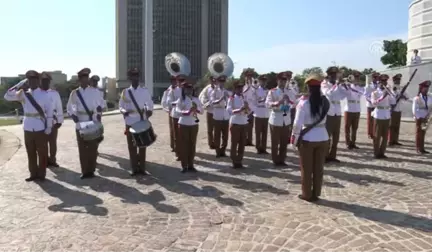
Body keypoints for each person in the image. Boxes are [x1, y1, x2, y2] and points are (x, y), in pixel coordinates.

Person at [4, 70, 53, 181]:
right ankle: (33, 173)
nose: (32, 82)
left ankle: (41, 174)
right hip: (28, 127)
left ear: (38, 80)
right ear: (28, 81)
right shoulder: (22, 93)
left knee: (42, 153)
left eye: (34, 79)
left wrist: (49, 127)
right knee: (30, 152)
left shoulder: (45, 94)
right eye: (29, 79)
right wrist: (20, 84)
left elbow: (49, 112)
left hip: (40, 126)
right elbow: (7, 96)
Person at [290, 74, 329, 202]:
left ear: (308, 87)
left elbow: (297, 124)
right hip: (323, 136)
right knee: (318, 168)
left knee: (307, 168)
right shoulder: (325, 101)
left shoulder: (304, 102)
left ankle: (307, 194)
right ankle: (316, 192)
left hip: (308, 138)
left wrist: (294, 140)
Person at [66, 68, 102, 179]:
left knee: (92, 148)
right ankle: (85, 171)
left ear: (88, 79)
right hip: (81, 121)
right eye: (82, 78)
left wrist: (98, 115)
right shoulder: (75, 93)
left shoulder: (95, 92)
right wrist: (73, 115)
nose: (84, 80)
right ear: (79, 80)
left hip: (92, 120)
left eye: (86, 77)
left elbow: (99, 106)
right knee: (82, 148)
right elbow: (71, 107)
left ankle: (91, 170)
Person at [119, 68, 154, 175]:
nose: (135, 78)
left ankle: (142, 168)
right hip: (130, 121)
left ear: (139, 77)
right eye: (132, 76)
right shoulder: (125, 92)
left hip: (141, 120)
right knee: (132, 146)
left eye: (136, 75)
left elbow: (150, 103)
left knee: (142, 145)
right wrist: (124, 111)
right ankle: (134, 168)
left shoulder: (144, 91)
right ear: (129, 78)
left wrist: (149, 110)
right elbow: (121, 105)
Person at [321, 67, 349, 163]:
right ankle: (325, 156)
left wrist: (344, 85)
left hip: (337, 111)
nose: (334, 76)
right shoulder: (325, 84)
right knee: (327, 136)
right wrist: (336, 85)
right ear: (328, 75)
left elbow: (345, 95)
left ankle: (333, 155)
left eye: (335, 75)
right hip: (329, 112)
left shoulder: (338, 85)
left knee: (336, 136)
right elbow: (328, 94)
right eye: (332, 75)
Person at [265, 72, 292, 166]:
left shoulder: (289, 90)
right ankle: (275, 160)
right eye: (281, 80)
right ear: (277, 81)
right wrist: (278, 102)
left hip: (286, 117)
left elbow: (294, 103)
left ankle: (282, 159)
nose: (283, 82)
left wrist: (289, 102)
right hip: (276, 117)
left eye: (284, 80)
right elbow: (268, 104)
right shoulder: (272, 91)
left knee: (284, 141)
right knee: (275, 141)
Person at [175, 80, 203, 172]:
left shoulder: (196, 99)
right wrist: (187, 112)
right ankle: (184, 165)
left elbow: (202, 111)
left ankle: (191, 164)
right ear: (184, 90)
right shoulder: (181, 99)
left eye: (190, 89)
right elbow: (177, 111)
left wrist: (196, 110)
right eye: (187, 89)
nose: (189, 91)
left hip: (194, 124)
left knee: (192, 145)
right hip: (183, 124)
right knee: (184, 145)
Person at [40, 72, 64, 167]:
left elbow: (59, 107)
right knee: (42, 143)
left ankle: (52, 160)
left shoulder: (54, 93)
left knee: (52, 142)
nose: (45, 83)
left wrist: (60, 121)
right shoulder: (37, 93)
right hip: (40, 123)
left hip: (52, 122)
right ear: (40, 82)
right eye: (43, 81)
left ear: (49, 82)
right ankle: (45, 160)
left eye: (47, 81)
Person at [371, 74, 394, 159]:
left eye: (385, 81)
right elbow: (374, 103)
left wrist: (391, 93)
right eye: (382, 81)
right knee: (377, 135)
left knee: (385, 136)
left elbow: (393, 101)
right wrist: (382, 96)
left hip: (386, 115)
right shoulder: (375, 93)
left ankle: (382, 152)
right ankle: (376, 153)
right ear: (379, 82)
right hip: (379, 114)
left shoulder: (388, 91)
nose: (384, 83)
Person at [227, 81, 249, 168]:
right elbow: (229, 110)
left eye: (241, 88)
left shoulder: (244, 98)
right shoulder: (231, 98)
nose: (240, 90)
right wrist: (240, 109)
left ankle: (239, 160)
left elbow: (248, 111)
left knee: (242, 143)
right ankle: (234, 160)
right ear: (235, 89)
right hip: (235, 122)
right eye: (238, 88)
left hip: (244, 122)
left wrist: (247, 108)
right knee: (234, 143)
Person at [210, 76, 231, 157]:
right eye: (220, 82)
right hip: (217, 113)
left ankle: (223, 150)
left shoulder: (226, 91)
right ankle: (218, 151)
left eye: (223, 82)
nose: (222, 83)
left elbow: (231, 100)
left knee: (225, 135)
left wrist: (228, 97)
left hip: (225, 114)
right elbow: (212, 102)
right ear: (217, 82)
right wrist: (220, 99)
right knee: (217, 135)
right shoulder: (214, 92)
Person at [343, 72, 364, 149]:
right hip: (349, 109)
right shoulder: (348, 86)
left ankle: (353, 142)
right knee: (347, 127)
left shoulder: (360, 88)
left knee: (355, 128)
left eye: (358, 78)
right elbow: (347, 93)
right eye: (356, 78)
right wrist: (347, 85)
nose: (357, 79)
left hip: (357, 109)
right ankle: (348, 143)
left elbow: (360, 95)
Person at [412, 80, 432, 154]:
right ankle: (418, 148)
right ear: (421, 88)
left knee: (423, 132)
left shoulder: (430, 96)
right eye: (425, 87)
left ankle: (422, 148)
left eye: (427, 87)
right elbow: (414, 109)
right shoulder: (417, 98)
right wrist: (418, 117)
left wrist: (428, 115)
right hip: (420, 117)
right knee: (419, 132)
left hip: (426, 116)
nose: (426, 89)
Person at [167, 75, 184, 160]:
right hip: (175, 115)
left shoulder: (187, 90)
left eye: (182, 80)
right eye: (179, 81)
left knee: (184, 136)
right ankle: (178, 153)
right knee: (177, 135)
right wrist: (177, 103)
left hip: (184, 115)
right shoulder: (173, 91)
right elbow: (169, 102)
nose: (181, 82)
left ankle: (185, 152)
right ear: (177, 81)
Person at [389, 74, 408, 146]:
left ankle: (395, 140)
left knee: (397, 126)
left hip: (399, 109)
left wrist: (403, 96)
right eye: (397, 80)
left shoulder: (401, 88)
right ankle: (390, 140)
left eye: (399, 80)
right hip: (393, 109)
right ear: (394, 80)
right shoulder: (391, 88)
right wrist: (397, 94)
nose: (398, 81)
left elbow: (407, 97)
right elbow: (392, 98)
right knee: (392, 126)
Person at [254, 75, 270, 154]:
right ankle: (258, 148)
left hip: (266, 113)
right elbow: (255, 101)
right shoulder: (256, 90)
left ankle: (263, 148)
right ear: (259, 81)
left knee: (264, 132)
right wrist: (263, 99)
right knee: (258, 132)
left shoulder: (268, 90)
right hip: (258, 112)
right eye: (262, 81)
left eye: (265, 81)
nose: (264, 82)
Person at [199, 76, 216, 149]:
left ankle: (216, 142)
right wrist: (207, 103)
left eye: (214, 80)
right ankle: (210, 143)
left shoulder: (218, 88)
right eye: (212, 80)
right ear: (210, 80)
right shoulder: (207, 89)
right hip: (209, 111)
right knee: (210, 129)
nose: (213, 81)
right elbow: (202, 97)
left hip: (217, 111)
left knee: (217, 129)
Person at [161, 76, 177, 152]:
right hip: (171, 112)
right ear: (171, 82)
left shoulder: (180, 90)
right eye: (173, 81)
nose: (175, 82)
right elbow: (163, 103)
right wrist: (168, 110)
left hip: (180, 112)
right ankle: (173, 146)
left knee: (179, 130)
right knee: (172, 130)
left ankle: (179, 145)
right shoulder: (167, 91)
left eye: (176, 81)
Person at [242, 69, 257, 146]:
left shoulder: (254, 87)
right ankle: (244, 140)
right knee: (245, 124)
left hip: (252, 108)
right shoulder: (244, 87)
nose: (250, 78)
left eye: (251, 76)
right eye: (248, 76)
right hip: (246, 108)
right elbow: (243, 96)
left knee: (251, 125)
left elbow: (255, 96)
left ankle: (250, 141)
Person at [364, 72, 380, 139]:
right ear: (372, 78)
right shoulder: (369, 85)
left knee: (376, 120)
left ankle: (375, 132)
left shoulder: (379, 85)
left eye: (377, 77)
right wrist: (371, 101)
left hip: (377, 105)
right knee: (370, 120)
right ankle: (370, 133)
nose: (376, 79)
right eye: (375, 77)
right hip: (370, 105)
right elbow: (366, 95)